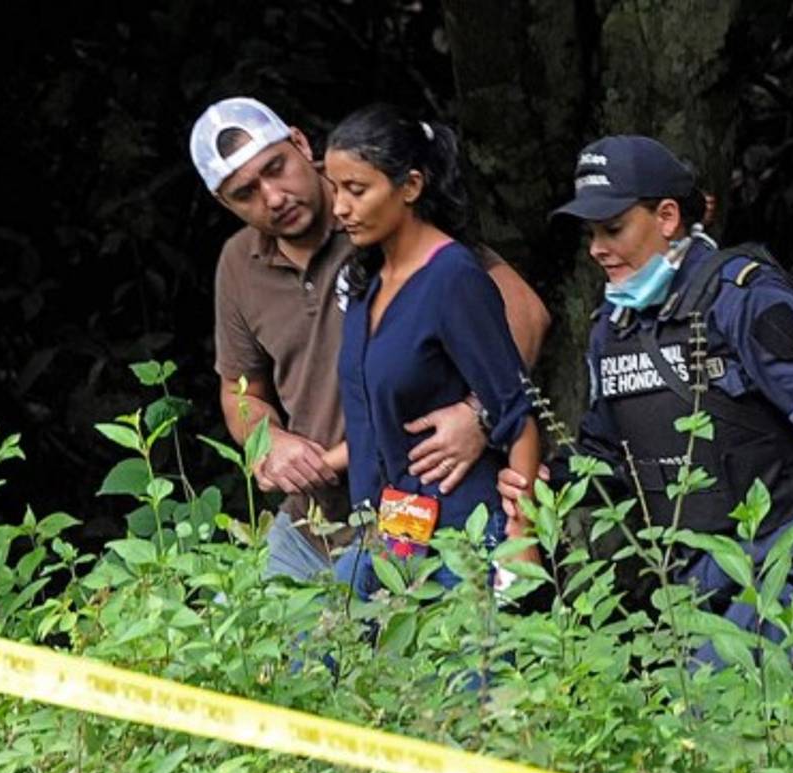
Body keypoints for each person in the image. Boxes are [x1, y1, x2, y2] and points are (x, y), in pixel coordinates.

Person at [499, 134, 793, 672]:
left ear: (667, 217)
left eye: (613, 229)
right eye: (591, 233)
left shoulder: (741, 297)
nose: (597, 248)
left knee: (717, 711)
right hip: (700, 575)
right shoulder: (611, 329)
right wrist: (547, 484)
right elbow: (609, 456)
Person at [189, 97, 550, 583]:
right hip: (316, 517)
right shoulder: (238, 264)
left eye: (276, 169)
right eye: (245, 193)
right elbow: (240, 390)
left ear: (301, 144)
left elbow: (523, 313)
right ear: (223, 203)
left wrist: (478, 413)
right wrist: (268, 442)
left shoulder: (380, 216)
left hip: (425, 502)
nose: (273, 197)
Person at [325, 104, 541, 595]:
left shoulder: (453, 277)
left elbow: (518, 412)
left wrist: (521, 539)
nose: (339, 208)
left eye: (357, 190)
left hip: (464, 530)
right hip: (395, 532)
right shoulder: (364, 282)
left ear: (411, 186)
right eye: (335, 189)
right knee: (318, 652)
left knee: (471, 669)